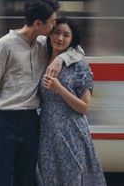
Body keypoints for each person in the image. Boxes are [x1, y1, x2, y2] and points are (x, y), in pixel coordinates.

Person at [0, 0, 84, 186]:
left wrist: (61, 59)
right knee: (0, 177)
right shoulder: (4, 46)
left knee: (26, 178)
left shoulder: (44, 45)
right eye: (51, 23)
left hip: (31, 120)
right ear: (37, 23)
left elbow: (77, 50)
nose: (54, 27)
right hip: (5, 120)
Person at [37, 17, 107, 186]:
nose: (60, 38)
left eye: (66, 35)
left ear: (72, 40)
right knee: (48, 180)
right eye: (56, 32)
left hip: (72, 134)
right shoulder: (41, 60)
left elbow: (84, 107)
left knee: (73, 180)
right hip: (47, 134)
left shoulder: (79, 66)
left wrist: (59, 88)